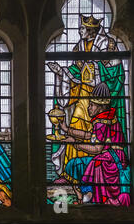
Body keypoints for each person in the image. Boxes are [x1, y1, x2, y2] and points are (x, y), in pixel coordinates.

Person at [47, 14, 127, 184]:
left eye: (83, 29)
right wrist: (61, 72)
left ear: (92, 31)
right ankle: (69, 176)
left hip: (99, 99)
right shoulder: (79, 47)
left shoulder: (108, 45)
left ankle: (92, 176)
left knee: (96, 135)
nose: (80, 31)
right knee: (76, 126)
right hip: (83, 97)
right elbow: (76, 72)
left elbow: (116, 73)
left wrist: (96, 68)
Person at [59, 83, 130, 206]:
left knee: (80, 164)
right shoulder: (107, 118)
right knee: (81, 163)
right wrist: (67, 130)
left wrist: (75, 143)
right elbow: (89, 135)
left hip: (110, 162)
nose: (88, 108)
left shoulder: (101, 122)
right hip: (115, 157)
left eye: (91, 105)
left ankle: (87, 196)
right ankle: (85, 194)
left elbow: (97, 149)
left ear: (101, 107)